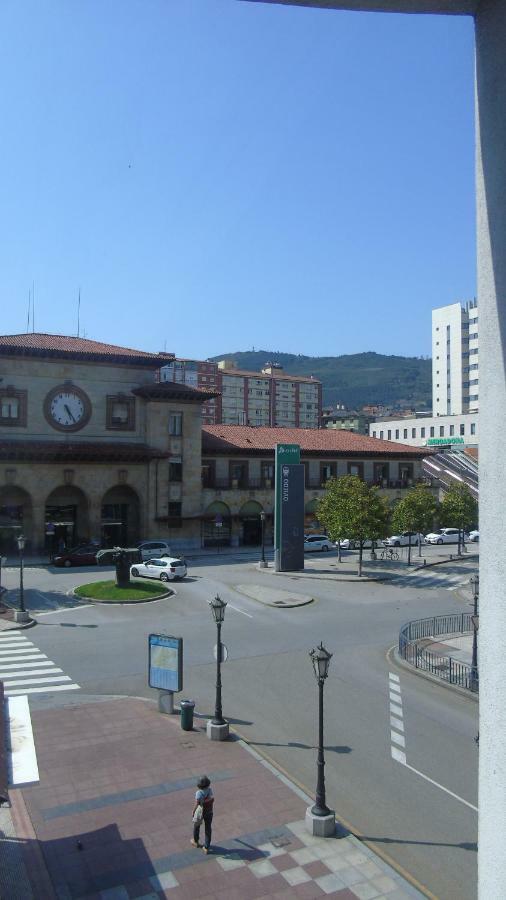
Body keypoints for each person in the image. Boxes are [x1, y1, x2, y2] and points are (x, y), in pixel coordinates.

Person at [191, 775, 214, 853]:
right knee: (208, 828)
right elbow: (211, 797)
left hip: (200, 812)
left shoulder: (199, 793)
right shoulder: (210, 790)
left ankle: (196, 841)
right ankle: (206, 847)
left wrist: (193, 811)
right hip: (209, 811)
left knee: (196, 825)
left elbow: (197, 803)